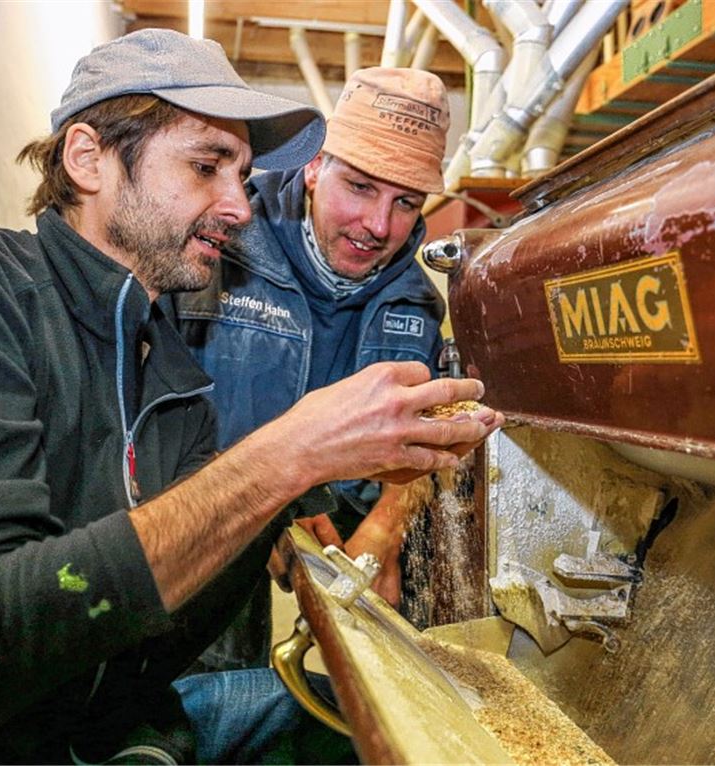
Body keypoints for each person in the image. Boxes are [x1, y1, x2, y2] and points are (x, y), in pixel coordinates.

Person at [0, 29, 504, 766]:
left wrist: (294, 518)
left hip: (129, 722)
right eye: (206, 167)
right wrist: (289, 456)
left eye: (241, 173)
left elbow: (160, 618)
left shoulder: (167, 371)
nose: (239, 207)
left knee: (414, 729)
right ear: (87, 158)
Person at [179, 68, 454, 671]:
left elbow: (426, 436)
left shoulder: (418, 305)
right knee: (203, 687)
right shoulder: (221, 247)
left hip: (339, 543)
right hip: (204, 523)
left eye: (405, 202)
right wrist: (262, 496)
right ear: (314, 167)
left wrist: (385, 528)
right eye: (358, 187)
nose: (378, 226)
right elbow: (153, 407)